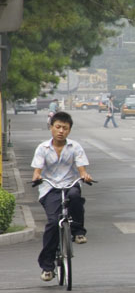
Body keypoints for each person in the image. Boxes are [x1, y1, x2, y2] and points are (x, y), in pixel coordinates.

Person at [31, 111, 93, 282]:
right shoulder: (42, 148)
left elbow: (81, 168)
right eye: (57, 127)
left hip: (69, 184)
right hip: (49, 188)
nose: (61, 131)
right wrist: (36, 176)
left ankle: (78, 231)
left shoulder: (75, 147)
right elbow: (37, 170)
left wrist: (85, 175)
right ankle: (47, 267)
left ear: (69, 130)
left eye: (65, 128)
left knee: (75, 197)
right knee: (52, 223)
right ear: (51, 128)